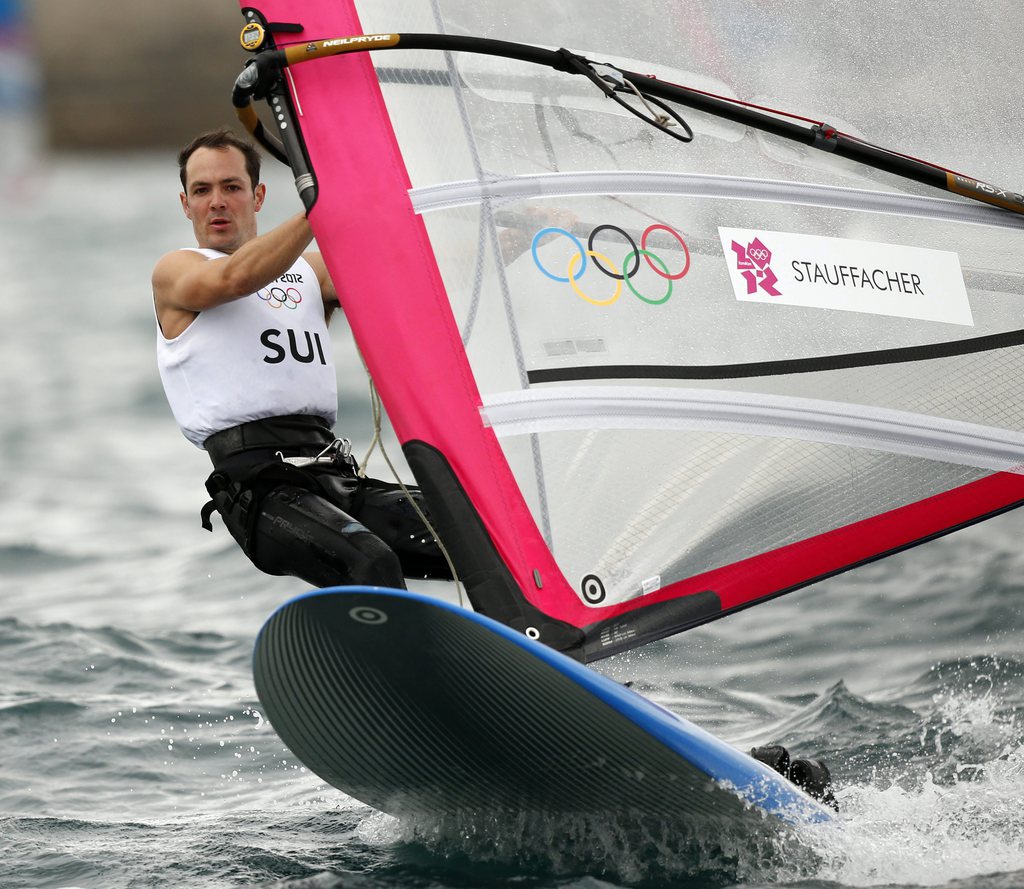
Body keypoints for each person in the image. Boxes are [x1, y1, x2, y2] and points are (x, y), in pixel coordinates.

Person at [153, 128, 451, 589]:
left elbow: (415, 271)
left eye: (231, 187)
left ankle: (538, 647)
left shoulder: (311, 271)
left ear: (258, 195)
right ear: (185, 204)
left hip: (333, 475)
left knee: (476, 533)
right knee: (371, 563)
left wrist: (515, 232)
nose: (216, 201)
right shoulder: (176, 272)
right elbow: (234, 279)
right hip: (262, 494)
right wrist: (320, 207)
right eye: (202, 190)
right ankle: (397, 658)